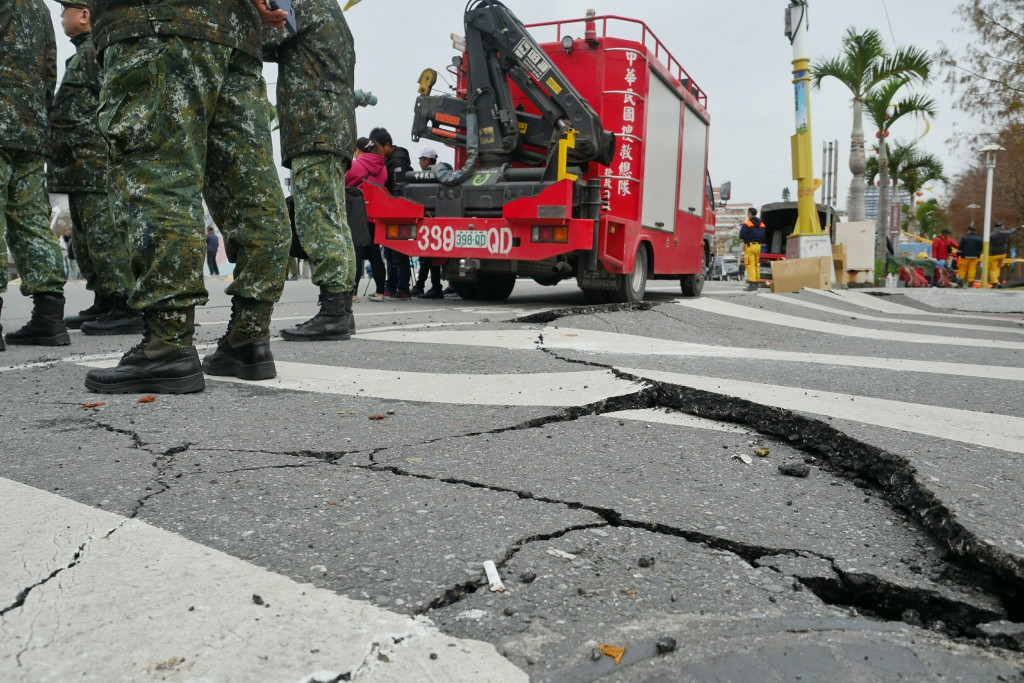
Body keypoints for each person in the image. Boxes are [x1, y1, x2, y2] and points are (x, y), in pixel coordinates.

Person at [84, 0, 292, 393]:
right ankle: (250, 338)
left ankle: (168, 345)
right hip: (236, 33)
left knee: (159, 174)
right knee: (251, 187)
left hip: (158, 21)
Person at [265, 0, 357, 342]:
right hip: (331, 127)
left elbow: (261, 38)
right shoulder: (329, 10)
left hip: (313, 126)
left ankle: (333, 312)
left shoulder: (301, 5)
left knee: (316, 218)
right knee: (333, 218)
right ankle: (340, 310)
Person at [49, 0, 142, 336]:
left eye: (66, 10)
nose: (61, 16)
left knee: (104, 236)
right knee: (87, 240)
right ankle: (105, 298)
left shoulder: (96, 51)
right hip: (77, 166)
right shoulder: (81, 54)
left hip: (94, 162)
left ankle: (126, 303)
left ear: (85, 16)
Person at [1, 0, 70, 351]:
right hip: (29, 126)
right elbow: (49, 70)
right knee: (30, 220)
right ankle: (49, 318)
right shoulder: (38, 7)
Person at [369, 127, 413, 299]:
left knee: (398, 253)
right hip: (392, 211)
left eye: (378, 147)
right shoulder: (392, 160)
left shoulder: (397, 163)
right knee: (391, 252)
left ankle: (401, 289)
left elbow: (398, 191)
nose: (376, 151)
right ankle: (393, 287)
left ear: (387, 145)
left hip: (397, 211)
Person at [347, 137, 388, 301]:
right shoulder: (382, 168)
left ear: (358, 150)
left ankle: (353, 293)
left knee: (356, 252)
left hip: (358, 213)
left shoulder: (356, 165)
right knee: (374, 253)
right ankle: (380, 292)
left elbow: (343, 181)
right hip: (374, 214)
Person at [412, 145, 446, 298]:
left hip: (429, 220)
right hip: (441, 218)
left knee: (428, 257)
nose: (419, 162)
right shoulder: (445, 174)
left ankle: (431, 287)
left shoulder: (424, 177)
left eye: (420, 159)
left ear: (426, 160)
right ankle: (425, 286)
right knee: (430, 257)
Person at [739, 208, 765, 292]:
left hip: (750, 246)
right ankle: (756, 283)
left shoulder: (747, 224)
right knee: (756, 265)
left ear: (749, 214)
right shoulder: (761, 224)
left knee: (750, 265)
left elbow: (741, 235)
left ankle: (752, 285)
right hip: (758, 246)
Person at [988, 221, 1021, 286]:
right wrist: (1018, 227)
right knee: (998, 267)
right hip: (1002, 254)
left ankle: (994, 282)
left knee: (993, 269)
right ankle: (996, 280)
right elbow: (1011, 231)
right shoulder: (1004, 233)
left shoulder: (991, 234)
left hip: (993, 254)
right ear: (1001, 226)